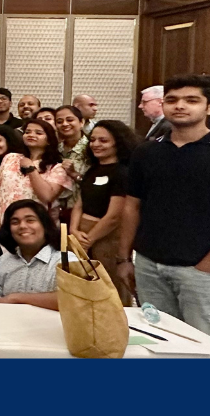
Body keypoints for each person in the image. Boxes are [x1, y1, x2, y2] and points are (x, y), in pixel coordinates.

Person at [118, 75, 210, 349]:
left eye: (191, 100)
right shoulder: (146, 152)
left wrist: (208, 268)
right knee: (158, 345)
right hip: (151, 267)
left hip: (206, 273)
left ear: (209, 107)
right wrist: (124, 258)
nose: (180, 106)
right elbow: (132, 206)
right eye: (172, 100)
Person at [69, 119, 136, 303]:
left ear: (118, 142)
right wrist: (74, 230)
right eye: (93, 140)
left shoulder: (123, 173)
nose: (96, 145)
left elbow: (115, 216)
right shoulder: (93, 170)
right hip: (82, 235)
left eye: (103, 141)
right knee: (84, 288)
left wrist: (89, 240)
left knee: (110, 290)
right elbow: (79, 204)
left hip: (107, 237)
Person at [0, 118, 73, 229]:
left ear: (49, 140)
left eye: (38, 133)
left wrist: (31, 168)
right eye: (27, 132)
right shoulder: (10, 158)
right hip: (5, 224)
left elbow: (47, 196)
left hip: (37, 228)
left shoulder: (57, 168)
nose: (31, 135)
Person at [0, 199, 60, 310]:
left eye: (30, 220)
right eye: (15, 222)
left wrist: (16, 298)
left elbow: (72, 299)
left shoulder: (63, 261)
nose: (22, 226)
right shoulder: (5, 260)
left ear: (45, 225)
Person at [54, 105, 90, 208]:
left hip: (83, 208)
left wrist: (74, 174)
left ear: (81, 122)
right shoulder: (54, 149)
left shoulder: (91, 148)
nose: (65, 124)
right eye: (59, 121)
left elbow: (95, 184)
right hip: (57, 210)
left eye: (70, 120)